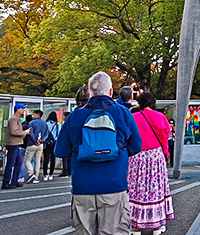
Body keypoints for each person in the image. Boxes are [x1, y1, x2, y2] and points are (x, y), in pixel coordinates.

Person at [55, 71, 142, 235]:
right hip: (114, 185)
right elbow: (136, 146)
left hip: (82, 187)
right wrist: (115, 153)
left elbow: (60, 150)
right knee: (114, 231)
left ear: (89, 92)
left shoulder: (74, 117)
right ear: (111, 92)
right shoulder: (123, 113)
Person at [128, 92, 174, 235]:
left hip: (137, 156)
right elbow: (166, 137)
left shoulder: (133, 117)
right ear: (153, 102)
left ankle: (136, 226)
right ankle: (156, 225)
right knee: (156, 189)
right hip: (155, 156)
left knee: (137, 190)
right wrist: (166, 154)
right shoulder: (161, 117)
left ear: (140, 103)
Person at [2, 103, 30, 189]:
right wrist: (25, 132)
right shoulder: (14, 119)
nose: (23, 110)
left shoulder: (16, 118)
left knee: (18, 162)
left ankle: (14, 181)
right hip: (12, 144)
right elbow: (14, 131)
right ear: (18, 109)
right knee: (11, 163)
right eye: (22, 108)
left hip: (16, 143)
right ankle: (6, 182)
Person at [24, 110, 49, 184]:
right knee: (37, 161)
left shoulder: (32, 123)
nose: (32, 115)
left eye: (33, 114)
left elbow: (31, 133)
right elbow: (46, 134)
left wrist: (35, 140)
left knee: (27, 160)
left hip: (32, 144)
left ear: (37, 115)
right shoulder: (44, 124)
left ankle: (30, 173)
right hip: (40, 145)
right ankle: (36, 177)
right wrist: (41, 141)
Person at [43, 111, 61, 181]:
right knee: (53, 159)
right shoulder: (57, 124)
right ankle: (51, 174)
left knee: (46, 159)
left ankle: (45, 174)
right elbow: (59, 134)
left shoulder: (45, 124)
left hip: (47, 143)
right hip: (54, 143)